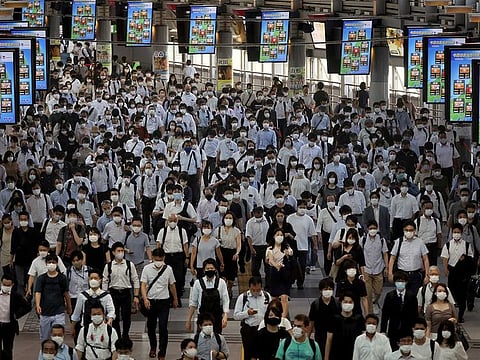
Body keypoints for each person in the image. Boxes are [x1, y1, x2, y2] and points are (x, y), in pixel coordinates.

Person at [140, 248, 178, 359]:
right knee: (150, 327)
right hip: (151, 302)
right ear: (152, 258)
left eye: (160, 259)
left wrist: (175, 299)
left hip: (164, 302)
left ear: (164, 258)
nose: (158, 262)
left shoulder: (168, 269)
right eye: (156, 259)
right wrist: (145, 298)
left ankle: (162, 352)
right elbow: (143, 284)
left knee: (163, 327)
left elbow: (172, 285)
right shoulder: (147, 269)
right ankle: (153, 347)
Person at [102, 242, 140, 338]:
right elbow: (105, 281)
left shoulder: (129, 265)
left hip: (126, 293)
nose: (120, 253)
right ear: (113, 252)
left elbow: (135, 280)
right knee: (114, 316)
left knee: (126, 316)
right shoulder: (109, 266)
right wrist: (104, 296)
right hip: (113, 293)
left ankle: (125, 335)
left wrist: (136, 296)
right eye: (118, 251)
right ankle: (117, 336)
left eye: (122, 251)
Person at [441, 223, 474, 323]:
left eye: (458, 232)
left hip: (463, 273)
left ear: (461, 233)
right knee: (451, 293)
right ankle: (452, 313)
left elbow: (471, 258)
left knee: (462, 295)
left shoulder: (467, 245)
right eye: (455, 232)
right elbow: (445, 257)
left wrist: (465, 259)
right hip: (452, 271)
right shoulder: (448, 245)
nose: (456, 234)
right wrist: (445, 269)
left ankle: (460, 315)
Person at [186, 258, 230, 334]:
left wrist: (225, 316)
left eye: (211, 268)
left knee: (216, 341)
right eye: (207, 268)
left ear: (215, 270)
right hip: (202, 318)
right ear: (204, 270)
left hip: (216, 318)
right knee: (201, 342)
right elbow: (193, 303)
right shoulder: (197, 283)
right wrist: (188, 319)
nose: (210, 270)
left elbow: (225, 300)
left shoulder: (221, 282)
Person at [70, 269, 115, 342]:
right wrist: (72, 327)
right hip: (85, 327)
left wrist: (110, 319)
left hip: (102, 327)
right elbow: (76, 314)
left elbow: (111, 311)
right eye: (91, 278)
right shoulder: (82, 296)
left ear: (100, 280)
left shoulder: (106, 296)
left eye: (96, 278)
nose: (93, 280)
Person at [34, 254, 72, 341]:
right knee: (45, 337)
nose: (51, 264)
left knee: (58, 336)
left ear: (57, 263)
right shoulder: (41, 279)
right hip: (45, 312)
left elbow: (66, 293)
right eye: (49, 262)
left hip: (59, 312)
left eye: (53, 262)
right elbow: (38, 292)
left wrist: (69, 306)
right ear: (46, 263)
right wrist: (38, 305)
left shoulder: (62, 278)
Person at [233, 276, 271, 360]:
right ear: (249, 287)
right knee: (249, 355)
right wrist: (247, 313)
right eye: (253, 290)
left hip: (263, 330)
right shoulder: (243, 297)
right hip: (249, 330)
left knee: (264, 354)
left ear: (261, 287)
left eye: (258, 290)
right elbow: (236, 315)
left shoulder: (266, 296)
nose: (256, 292)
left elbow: (271, 311)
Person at [388, 220, 429, 295]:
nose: (408, 232)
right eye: (406, 230)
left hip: (416, 275)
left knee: (415, 297)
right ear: (403, 230)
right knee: (401, 296)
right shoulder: (398, 242)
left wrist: (427, 275)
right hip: (402, 275)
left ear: (414, 231)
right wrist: (390, 273)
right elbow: (392, 258)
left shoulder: (420, 242)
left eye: (411, 230)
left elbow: (425, 259)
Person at [381, 271, 419, 350]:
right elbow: (385, 314)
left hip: (407, 329)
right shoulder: (389, 296)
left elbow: (415, 315)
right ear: (394, 282)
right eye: (398, 281)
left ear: (406, 282)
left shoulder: (412, 296)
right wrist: (383, 331)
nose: (400, 283)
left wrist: (415, 329)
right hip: (393, 329)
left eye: (402, 281)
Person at [156, 214, 188, 306]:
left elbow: (185, 245)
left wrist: (187, 257)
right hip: (167, 257)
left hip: (179, 257)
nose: (172, 222)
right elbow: (159, 244)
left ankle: (177, 298)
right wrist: (159, 258)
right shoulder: (163, 231)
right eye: (170, 220)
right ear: (167, 221)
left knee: (179, 278)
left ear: (177, 221)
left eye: (174, 220)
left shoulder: (182, 231)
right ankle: (169, 299)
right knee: (167, 278)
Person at [324, 292, 365, 360]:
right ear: (341, 303)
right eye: (345, 302)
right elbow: (329, 340)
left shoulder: (359, 318)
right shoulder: (334, 319)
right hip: (337, 355)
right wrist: (326, 357)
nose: (348, 304)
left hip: (354, 354)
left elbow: (363, 338)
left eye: (350, 302)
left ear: (354, 303)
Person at [360, 220, 389, 314]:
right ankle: (369, 313)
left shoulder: (381, 239)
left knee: (378, 291)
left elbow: (385, 253)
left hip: (378, 269)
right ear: (367, 229)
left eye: (374, 228)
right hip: (367, 270)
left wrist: (387, 267)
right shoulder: (363, 239)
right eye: (371, 228)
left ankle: (375, 301)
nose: (373, 230)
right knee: (367, 293)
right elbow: (360, 255)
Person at [0, 273, 31, 360]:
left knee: (8, 349)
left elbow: (27, 307)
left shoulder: (16, 296)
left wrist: (16, 314)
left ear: (12, 285)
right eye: (4, 284)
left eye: (8, 285)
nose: (5, 286)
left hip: (9, 326)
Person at [308, 277, 339, 358]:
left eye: (330, 289)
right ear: (320, 290)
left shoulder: (337, 304)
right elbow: (311, 323)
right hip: (320, 336)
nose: (328, 291)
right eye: (325, 289)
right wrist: (307, 339)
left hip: (335, 337)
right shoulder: (316, 304)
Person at [266, 228, 294, 317]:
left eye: (281, 235)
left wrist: (287, 255)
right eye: (277, 235)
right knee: (274, 298)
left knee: (284, 297)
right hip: (274, 273)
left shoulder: (287, 248)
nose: (279, 237)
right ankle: (274, 315)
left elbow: (291, 256)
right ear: (274, 236)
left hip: (285, 273)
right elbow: (270, 260)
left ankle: (283, 318)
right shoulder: (270, 249)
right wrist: (276, 265)